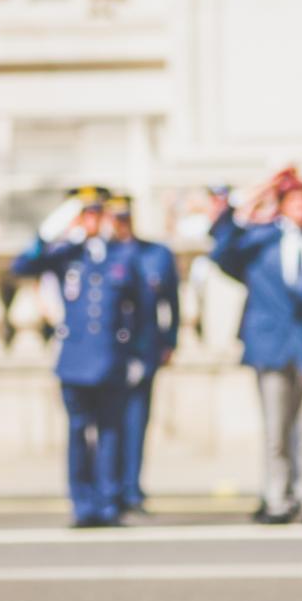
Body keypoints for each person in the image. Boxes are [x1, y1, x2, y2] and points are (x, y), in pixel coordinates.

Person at [208, 168, 302, 524]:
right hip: (271, 346)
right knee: (276, 431)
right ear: (281, 205)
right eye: (294, 200)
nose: (301, 206)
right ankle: (277, 498)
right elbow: (221, 248)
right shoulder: (260, 240)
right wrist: (248, 200)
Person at [11, 186, 145, 528]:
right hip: (74, 360)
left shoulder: (123, 255)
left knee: (110, 432)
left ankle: (108, 503)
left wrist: (136, 356)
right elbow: (24, 263)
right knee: (77, 431)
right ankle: (82, 504)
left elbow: (141, 311)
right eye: (86, 214)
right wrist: (55, 225)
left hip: (111, 358)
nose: (92, 221)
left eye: (97, 214)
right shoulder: (66, 254)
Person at [108, 195, 179, 514]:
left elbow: (171, 302)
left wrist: (170, 340)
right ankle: (107, 486)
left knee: (136, 421)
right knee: (107, 422)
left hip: (142, 347)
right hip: (107, 351)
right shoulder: (98, 253)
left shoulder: (155, 254)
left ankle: (131, 487)